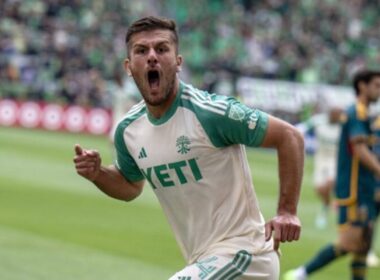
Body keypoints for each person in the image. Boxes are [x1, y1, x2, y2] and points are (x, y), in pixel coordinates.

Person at [73, 16, 304, 280]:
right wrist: (98, 174)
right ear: (128, 66)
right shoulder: (129, 130)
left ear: (178, 62)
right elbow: (130, 186)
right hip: (205, 260)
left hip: (247, 255)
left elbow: (289, 136)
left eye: (161, 49)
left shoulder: (211, 113)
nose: (151, 57)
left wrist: (287, 211)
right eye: (141, 50)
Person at [284, 69, 380, 280]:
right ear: (362, 86)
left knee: (363, 245)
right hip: (355, 190)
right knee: (350, 243)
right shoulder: (357, 112)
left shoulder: (369, 115)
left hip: (366, 188)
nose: (379, 91)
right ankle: (301, 273)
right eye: (376, 85)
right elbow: (360, 150)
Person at [296, 107, 343, 229]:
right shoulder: (318, 121)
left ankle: (325, 211)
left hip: (335, 161)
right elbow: (300, 128)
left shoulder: (344, 125)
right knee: (319, 189)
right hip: (320, 160)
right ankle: (328, 205)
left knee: (329, 182)